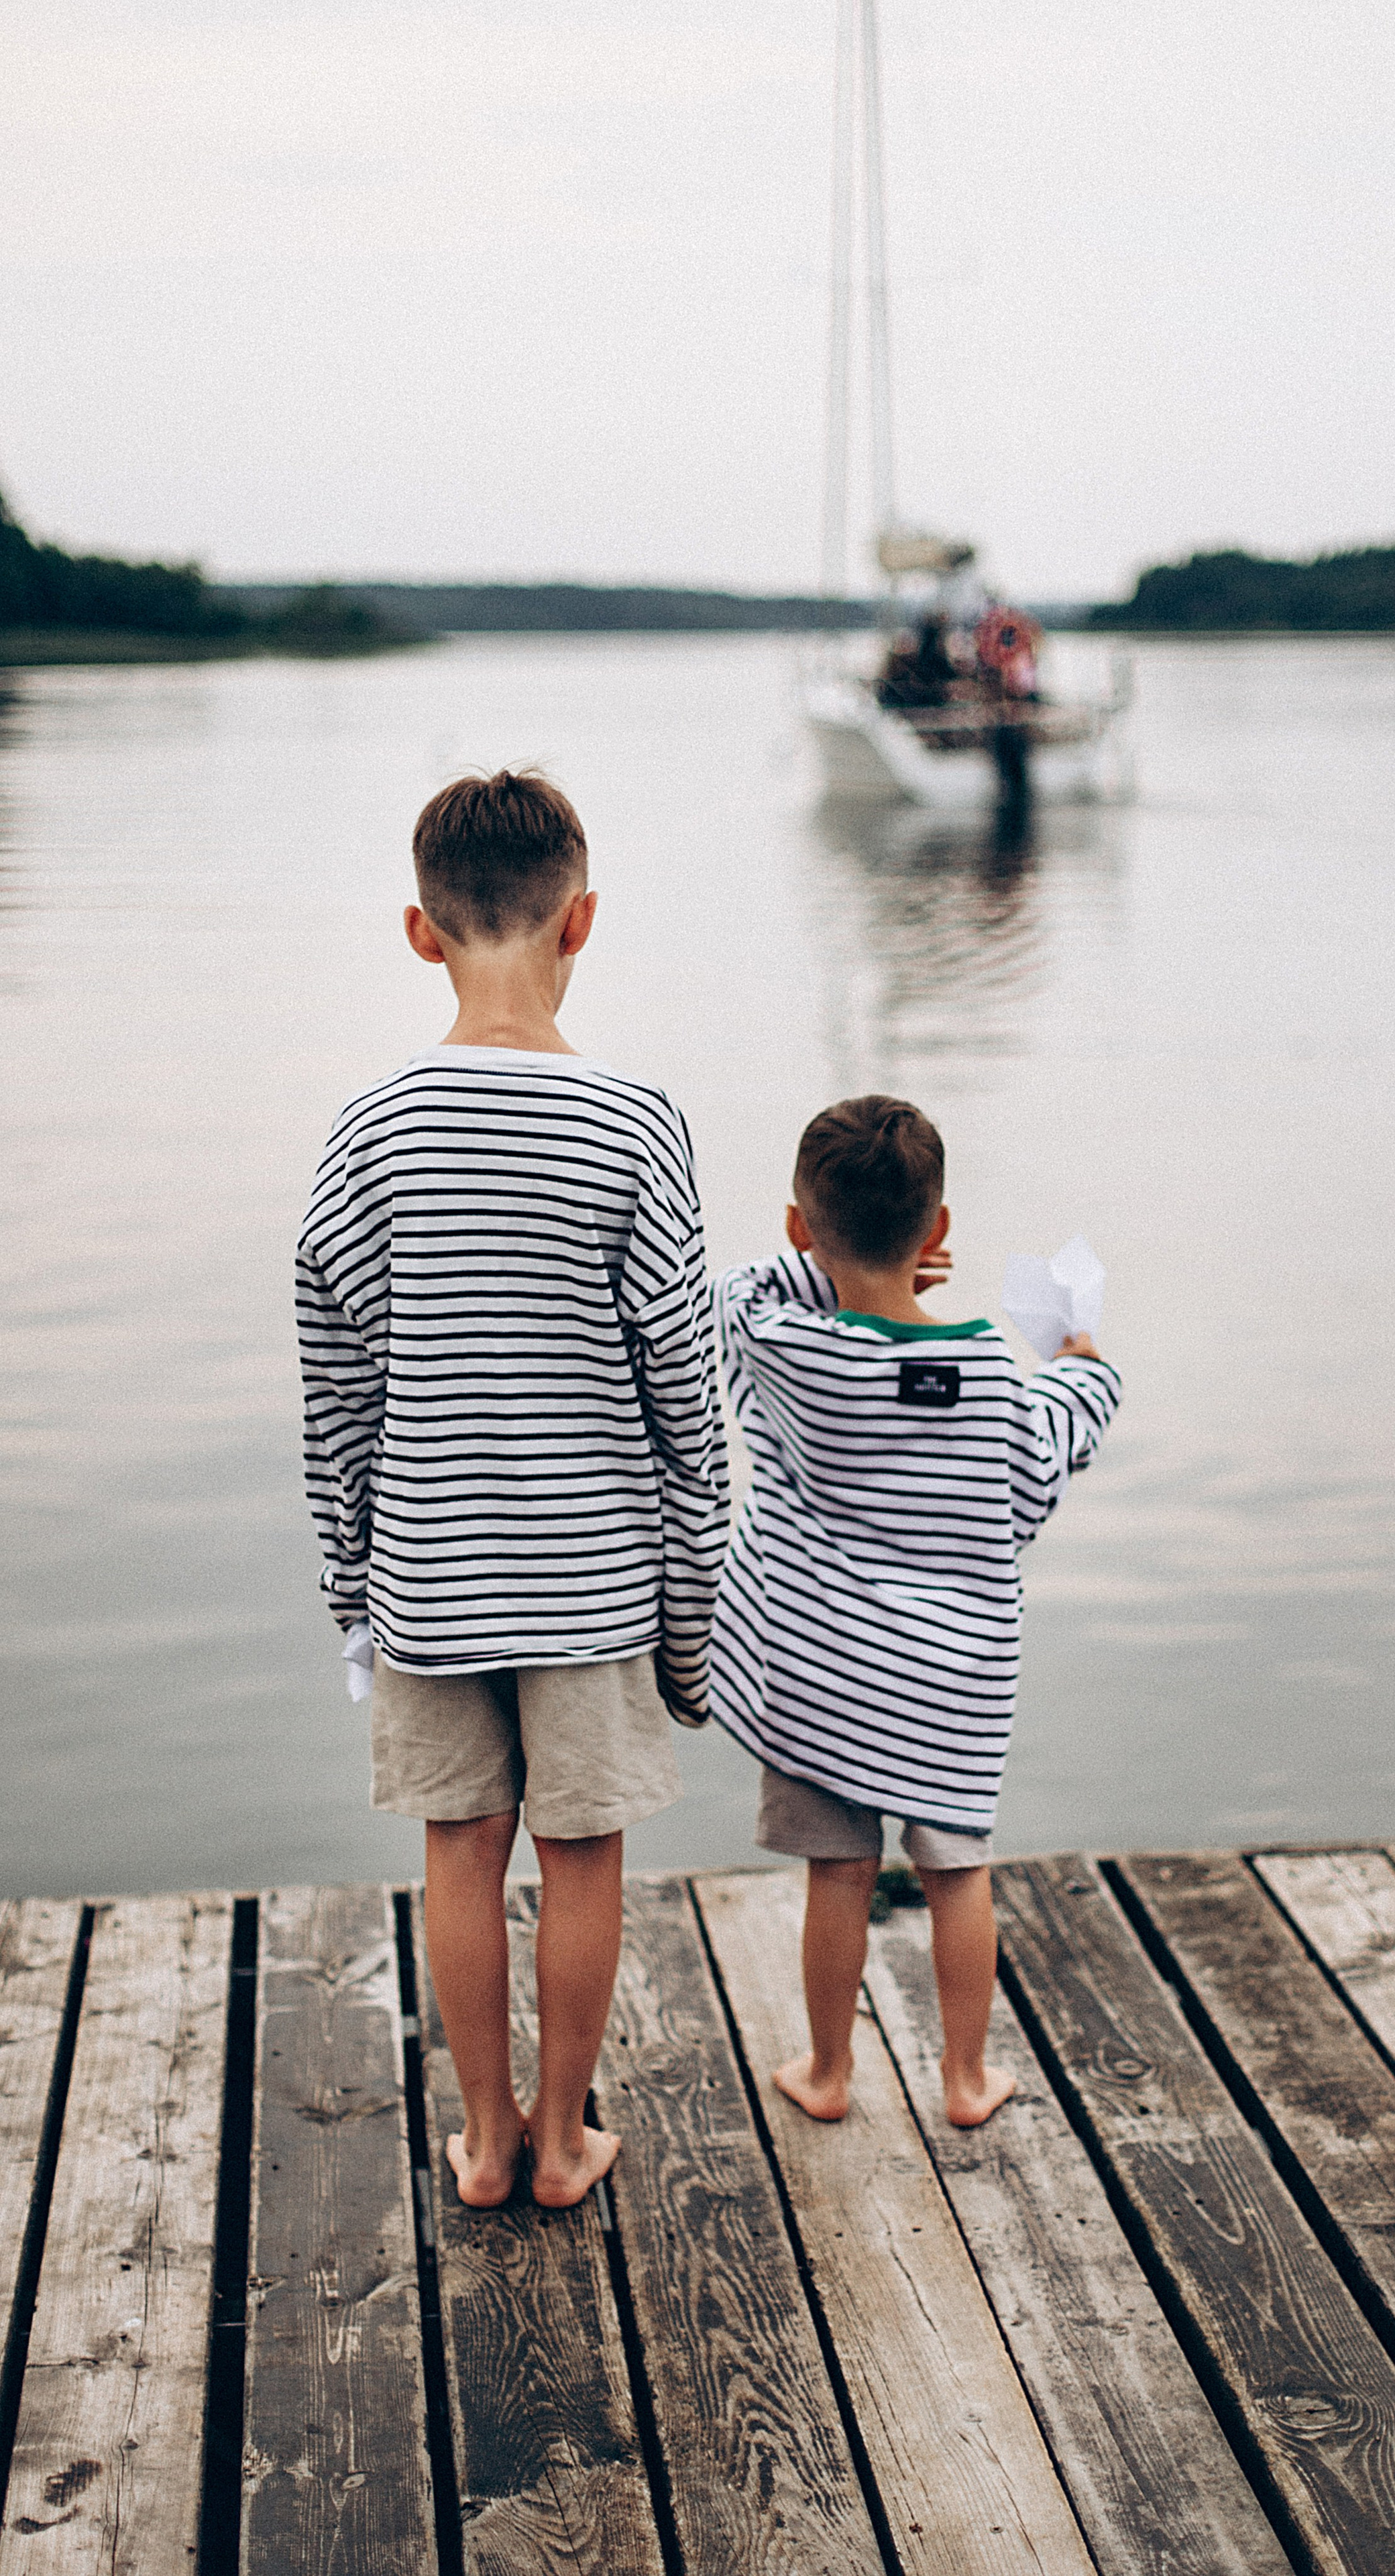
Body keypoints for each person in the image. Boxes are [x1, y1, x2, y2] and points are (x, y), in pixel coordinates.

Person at [296, 770, 727, 2208]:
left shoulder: (368, 1133)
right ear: (582, 920)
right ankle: (562, 2141)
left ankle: (480, 2144)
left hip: (426, 1569)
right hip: (594, 1576)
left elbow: (339, 1395)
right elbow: (686, 1392)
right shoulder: (635, 1124)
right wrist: (691, 1620)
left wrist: (354, 1597)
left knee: (460, 1850)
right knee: (582, 1853)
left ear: (419, 933)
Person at [710, 1095, 1119, 2127]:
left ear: (802, 1226)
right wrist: (1087, 1362)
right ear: (938, 1230)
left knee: (838, 1872)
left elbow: (729, 1300)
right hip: (948, 1688)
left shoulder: (793, 1353)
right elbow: (1054, 1442)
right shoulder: (988, 1379)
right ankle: (966, 2078)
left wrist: (824, 1269)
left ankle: (829, 2071)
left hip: (822, 1680)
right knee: (957, 1874)